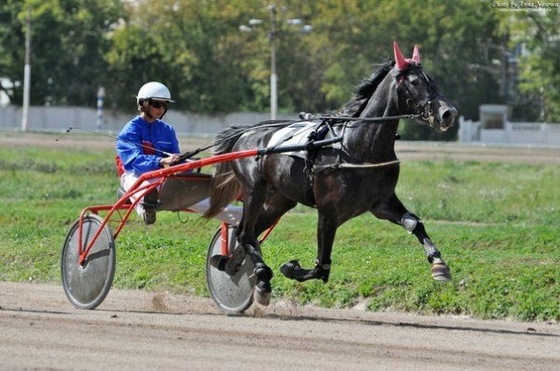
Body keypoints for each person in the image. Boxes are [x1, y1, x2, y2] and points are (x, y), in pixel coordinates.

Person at [116, 81, 241, 226]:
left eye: (165, 105)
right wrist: (161, 161)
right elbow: (133, 162)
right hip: (134, 175)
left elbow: (175, 159)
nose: (161, 109)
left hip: (164, 180)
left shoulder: (168, 130)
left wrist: (187, 163)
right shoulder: (130, 130)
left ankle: (243, 218)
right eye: (157, 104)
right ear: (143, 103)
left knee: (206, 201)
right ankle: (146, 207)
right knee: (143, 184)